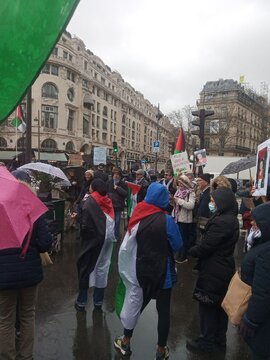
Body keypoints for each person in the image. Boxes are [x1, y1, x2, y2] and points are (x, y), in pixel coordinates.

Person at [114, 183, 182, 360]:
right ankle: (161, 350)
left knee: (136, 304)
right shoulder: (166, 220)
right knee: (163, 311)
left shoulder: (138, 213)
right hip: (163, 272)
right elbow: (178, 245)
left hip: (141, 271)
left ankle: (126, 340)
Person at [0, 170, 52, 360]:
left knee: (5, 319)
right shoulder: (32, 207)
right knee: (28, 315)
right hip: (30, 273)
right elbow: (45, 243)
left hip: (3, 274)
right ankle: (26, 356)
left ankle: (7, 356)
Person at [186, 187, 239, 353]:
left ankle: (206, 342)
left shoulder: (223, 222)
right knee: (218, 306)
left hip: (214, 270)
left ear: (222, 202)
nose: (211, 204)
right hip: (221, 267)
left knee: (208, 305)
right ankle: (218, 340)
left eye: (214, 201)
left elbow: (206, 247)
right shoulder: (227, 217)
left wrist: (190, 250)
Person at [75, 179, 115, 311]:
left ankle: (81, 302)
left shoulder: (90, 202)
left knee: (86, 268)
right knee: (102, 268)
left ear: (94, 188)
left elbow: (86, 226)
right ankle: (98, 302)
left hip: (94, 240)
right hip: (108, 238)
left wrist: (78, 219)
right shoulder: (107, 200)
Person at [239, 202, 270, 360]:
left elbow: (263, 293)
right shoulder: (263, 243)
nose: (252, 223)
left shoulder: (266, 253)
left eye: (256, 221)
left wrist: (251, 320)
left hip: (263, 325)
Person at [173, 174, 195, 264]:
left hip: (185, 220)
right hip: (177, 218)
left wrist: (179, 201)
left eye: (182, 184)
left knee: (183, 238)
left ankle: (183, 256)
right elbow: (175, 205)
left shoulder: (191, 192)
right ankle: (179, 254)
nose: (180, 186)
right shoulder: (178, 191)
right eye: (179, 184)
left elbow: (191, 206)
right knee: (178, 237)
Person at [107, 168, 128, 240]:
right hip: (110, 205)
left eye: (117, 175)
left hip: (118, 205)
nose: (116, 176)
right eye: (115, 174)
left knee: (117, 220)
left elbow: (125, 194)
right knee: (110, 221)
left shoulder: (123, 184)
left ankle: (116, 235)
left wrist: (118, 188)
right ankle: (110, 234)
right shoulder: (109, 182)